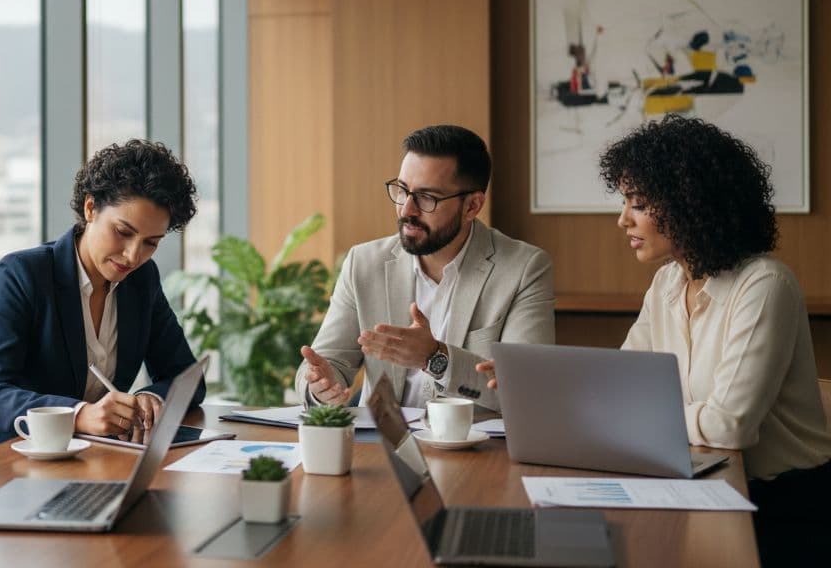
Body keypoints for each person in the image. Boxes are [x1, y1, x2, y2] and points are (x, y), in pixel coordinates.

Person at [594, 115, 830, 565]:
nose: (623, 219)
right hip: (701, 483)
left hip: (786, 506)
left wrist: (640, 415)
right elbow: (620, 384)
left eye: (637, 203)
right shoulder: (666, 283)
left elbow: (731, 427)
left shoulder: (764, 285)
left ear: (689, 203)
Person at [0, 139, 206, 464]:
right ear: (90, 209)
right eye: (123, 232)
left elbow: (187, 377)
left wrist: (151, 398)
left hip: (78, 464)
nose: (133, 255)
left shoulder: (141, 280)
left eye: (151, 242)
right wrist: (79, 415)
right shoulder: (23, 274)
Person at [295, 125, 554, 412]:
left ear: (472, 206)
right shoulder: (364, 263)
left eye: (427, 198)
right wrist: (320, 386)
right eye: (403, 190)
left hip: (476, 450)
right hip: (384, 445)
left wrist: (435, 357)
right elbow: (326, 361)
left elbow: (527, 390)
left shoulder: (524, 269)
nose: (407, 209)